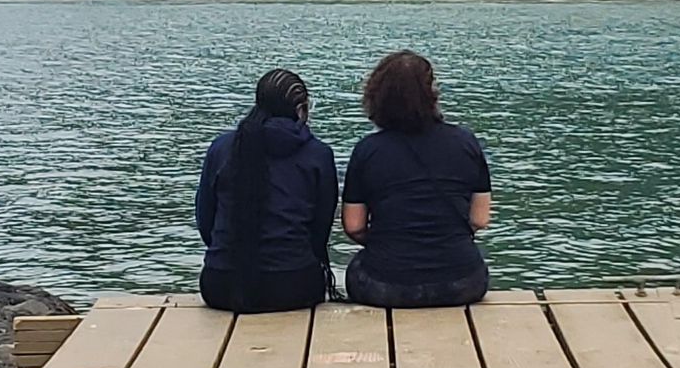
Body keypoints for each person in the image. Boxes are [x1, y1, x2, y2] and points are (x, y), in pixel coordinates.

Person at [340, 50, 492, 307]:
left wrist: (390, 243)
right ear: (432, 93)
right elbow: (479, 219)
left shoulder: (367, 150)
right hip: (463, 282)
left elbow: (354, 226)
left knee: (357, 266)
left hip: (386, 286)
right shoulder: (466, 142)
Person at [195, 68, 338, 313]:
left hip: (221, 285)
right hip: (293, 285)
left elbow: (205, 219)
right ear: (301, 109)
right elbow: (320, 229)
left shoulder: (221, 148)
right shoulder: (318, 154)